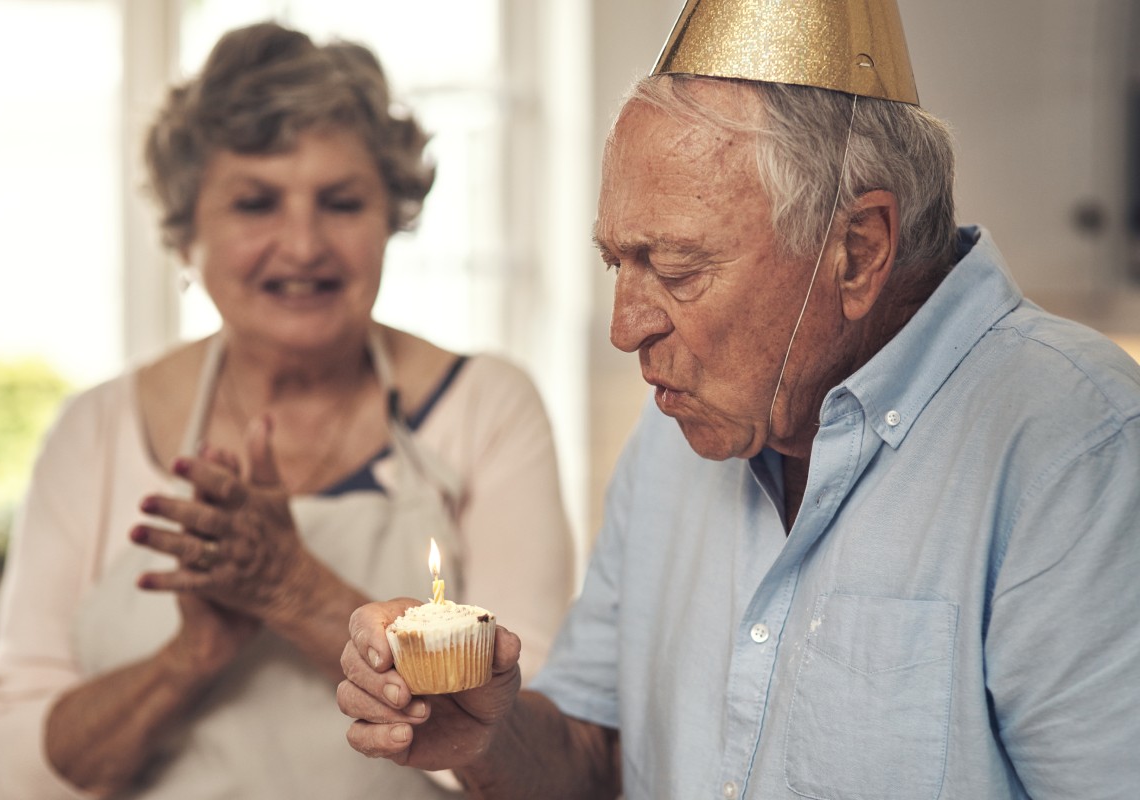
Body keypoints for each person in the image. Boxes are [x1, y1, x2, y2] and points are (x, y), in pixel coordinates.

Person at [336, 1, 1140, 798]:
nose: (626, 329)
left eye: (678, 269)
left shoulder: (1078, 449)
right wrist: (489, 735)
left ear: (858, 251)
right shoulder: (676, 434)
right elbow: (596, 762)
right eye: (618, 263)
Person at [0, 21, 575, 800]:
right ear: (188, 232)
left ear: (392, 216)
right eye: (256, 203)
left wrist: (291, 588)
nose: (302, 244)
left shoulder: (487, 408)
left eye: (342, 202)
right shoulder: (97, 434)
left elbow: (535, 756)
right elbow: (17, 766)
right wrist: (186, 661)